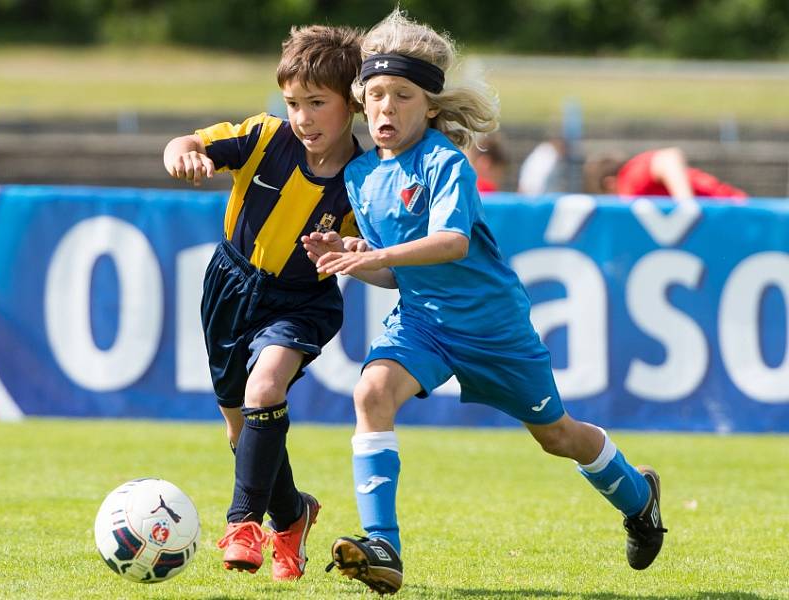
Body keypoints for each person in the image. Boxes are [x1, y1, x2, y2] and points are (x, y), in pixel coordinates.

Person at [302, 9, 667, 595]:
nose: (386, 108)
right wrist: (350, 252)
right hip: (423, 322)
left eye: (402, 96)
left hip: (493, 329)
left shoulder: (445, 162)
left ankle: (638, 495)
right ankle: (384, 547)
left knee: (557, 436)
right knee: (370, 391)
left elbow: (452, 243)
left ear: (432, 107)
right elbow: (399, 276)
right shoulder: (361, 174)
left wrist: (372, 256)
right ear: (360, 101)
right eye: (375, 96)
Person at [162, 24, 363, 582]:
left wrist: (352, 249)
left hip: (301, 302)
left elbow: (380, 252)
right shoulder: (264, 136)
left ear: (353, 104)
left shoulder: (365, 179)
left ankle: (243, 522)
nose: (302, 117)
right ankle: (293, 515)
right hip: (230, 286)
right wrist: (184, 156)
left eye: (318, 103)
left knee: (265, 386)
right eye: (294, 102)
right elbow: (186, 143)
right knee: (240, 427)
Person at [583, 146, 747, 202]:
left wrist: (687, 206)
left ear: (610, 184)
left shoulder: (629, 179)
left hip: (735, 217)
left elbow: (668, 157)